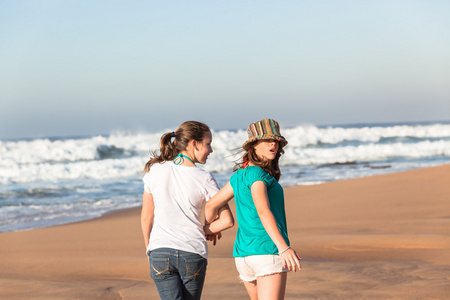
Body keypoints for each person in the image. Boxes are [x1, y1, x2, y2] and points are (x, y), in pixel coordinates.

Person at [205, 118, 301, 300]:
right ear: (254, 145)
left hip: (243, 256)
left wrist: (210, 227)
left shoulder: (239, 176)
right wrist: (284, 248)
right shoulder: (258, 175)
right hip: (267, 251)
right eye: (267, 140)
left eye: (276, 141)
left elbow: (211, 205)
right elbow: (263, 211)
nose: (273, 144)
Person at [141, 120, 234, 300]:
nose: (211, 150)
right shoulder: (204, 178)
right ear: (194, 143)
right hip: (192, 252)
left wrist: (150, 249)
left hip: (159, 252)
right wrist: (205, 230)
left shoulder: (154, 170)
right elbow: (227, 221)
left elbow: (146, 217)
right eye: (208, 144)